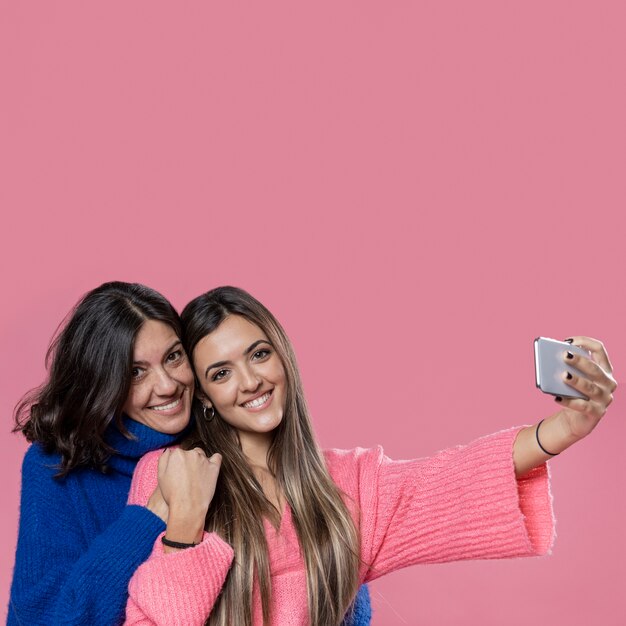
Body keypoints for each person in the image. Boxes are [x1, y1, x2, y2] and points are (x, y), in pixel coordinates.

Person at [123, 286, 616, 626]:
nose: (251, 382)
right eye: (221, 372)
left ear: (282, 356)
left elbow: (450, 480)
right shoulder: (170, 475)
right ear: (204, 395)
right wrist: (185, 531)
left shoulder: (347, 483)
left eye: (258, 354)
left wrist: (565, 428)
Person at [7, 281, 371, 626]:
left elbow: (327, 580)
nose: (167, 385)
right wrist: (146, 520)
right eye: (136, 372)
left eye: (174, 357)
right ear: (102, 382)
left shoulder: (226, 434)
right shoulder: (56, 465)